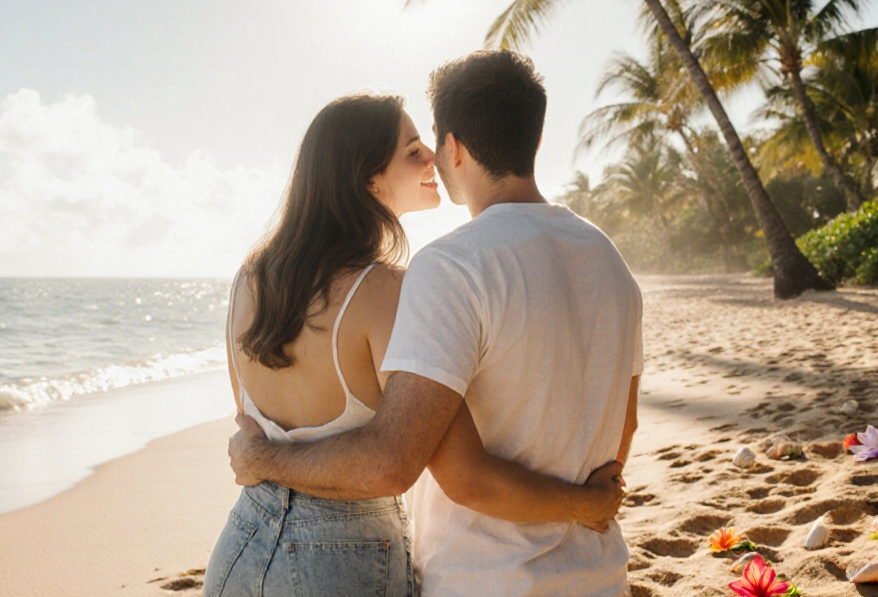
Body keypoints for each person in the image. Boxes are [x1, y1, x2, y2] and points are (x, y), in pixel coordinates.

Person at [228, 52, 643, 596]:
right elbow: (624, 431)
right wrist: (585, 503)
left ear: (454, 148)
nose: (427, 157)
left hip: (482, 579)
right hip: (595, 573)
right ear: (536, 142)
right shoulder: (612, 262)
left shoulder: (448, 268)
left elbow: (444, 473)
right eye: (411, 149)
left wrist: (265, 458)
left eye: (429, 144)